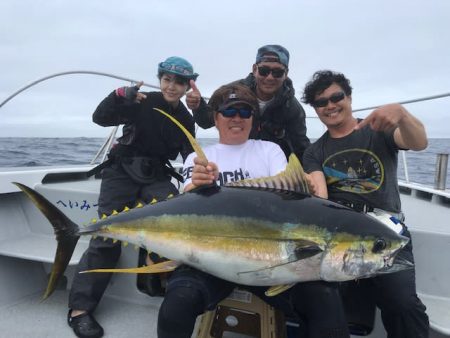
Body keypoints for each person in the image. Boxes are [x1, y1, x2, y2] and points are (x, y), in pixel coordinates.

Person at [157, 83, 350, 338]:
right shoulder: (199, 156)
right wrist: (198, 184)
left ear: (252, 119)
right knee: (177, 303)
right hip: (210, 259)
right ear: (216, 117)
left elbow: (288, 196)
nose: (237, 118)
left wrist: (306, 185)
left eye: (245, 112)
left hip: (271, 262)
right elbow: (186, 201)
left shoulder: (269, 150)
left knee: (324, 298)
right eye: (229, 111)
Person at [67, 56, 198, 338]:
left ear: (188, 86)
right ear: (160, 78)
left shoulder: (186, 118)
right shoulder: (141, 100)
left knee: (176, 223)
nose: (171, 86)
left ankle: (153, 278)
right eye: (167, 79)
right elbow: (100, 118)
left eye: (179, 82)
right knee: (106, 236)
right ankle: (80, 309)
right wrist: (118, 98)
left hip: (157, 176)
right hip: (121, 171)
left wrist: (197, 180)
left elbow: (189, 156)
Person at [301, 70, 429, 338]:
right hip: (339, 236)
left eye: (336, 97)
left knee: (403, 305)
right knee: (315, 300)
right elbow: (320, 198)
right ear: (315, 109)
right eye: (321, 102)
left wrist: (403, 114)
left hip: (385, 230)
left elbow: (418, 143)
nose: (330, 105)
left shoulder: (377, 131)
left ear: (349, 97)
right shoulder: (314, 152)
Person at [186, 44, 311, 160]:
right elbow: (205, 122)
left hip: (274, 165)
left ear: (286, 73)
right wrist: (197, 106)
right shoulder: (229, 92)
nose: (270, 77)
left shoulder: (293, 108)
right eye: (264, 71)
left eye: (277, 72)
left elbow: (300, 147)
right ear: (255, 69)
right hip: (235, 158)